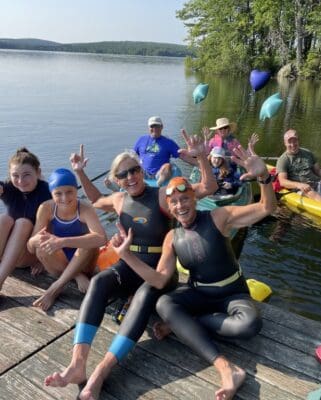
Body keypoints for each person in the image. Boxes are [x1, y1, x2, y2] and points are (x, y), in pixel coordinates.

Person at [44, 132, 217, 399]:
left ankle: (101, 372)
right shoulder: (119, 200)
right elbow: (95, 199)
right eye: (123, 175)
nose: (130, 177)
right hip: (130, 264)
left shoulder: (161, 196)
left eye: (134, 170)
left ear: (141, 169)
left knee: (145, 294)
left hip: (160, 271)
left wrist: (202, 157)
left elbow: (208, 187)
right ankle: (77, 364)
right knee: (99, 281)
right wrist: (79, 173)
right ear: (116, 180)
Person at [106, 145, 276, 400]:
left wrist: (263, 177)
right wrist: (126, 255)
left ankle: (182, 325)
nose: (180, 206)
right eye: (173, 202)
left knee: (250, 325)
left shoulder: (219, 217)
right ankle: (225, 367)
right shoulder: (172, 238)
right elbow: (159, 280)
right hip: (199, 293)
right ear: (169, 207)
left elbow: (266, 208)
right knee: (164, 303)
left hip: (232, 293)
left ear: (195, 199)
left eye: (185, 199)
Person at [27, 168, 107, 311]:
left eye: (69, 191)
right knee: (41, 247)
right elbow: (30, 247)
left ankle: (55, 288)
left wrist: (62, 242)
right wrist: (35, 241)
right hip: (59, 265)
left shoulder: (85, 208)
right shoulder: (46, 208)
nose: (65, 198)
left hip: (84, 263)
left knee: (88, 242)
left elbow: (101, 239)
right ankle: (76, 275)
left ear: (76, 189)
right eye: (58, 193)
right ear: (51, 194)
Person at [0, 148, 51, 293]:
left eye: (27, 175)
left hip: (28, 254)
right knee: (4, 218)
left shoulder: (48, 192)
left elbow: (59, 227)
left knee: (23, 223)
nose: (21, 181)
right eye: (15, 175)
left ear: (38, 172)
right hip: (5, 254)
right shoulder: (8, 188)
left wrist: (44, 261)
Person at [133, 116, 196, 186]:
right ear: (149, 127)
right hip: (143, 173)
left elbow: (183, 156)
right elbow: (132, 156)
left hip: (160, 174)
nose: (154, 129)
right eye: (152, 126)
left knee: (169, 166)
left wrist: (198, 162)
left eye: (157, 126)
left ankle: (159, 184)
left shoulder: (168, 142)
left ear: (162, 127)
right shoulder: (141, 139)